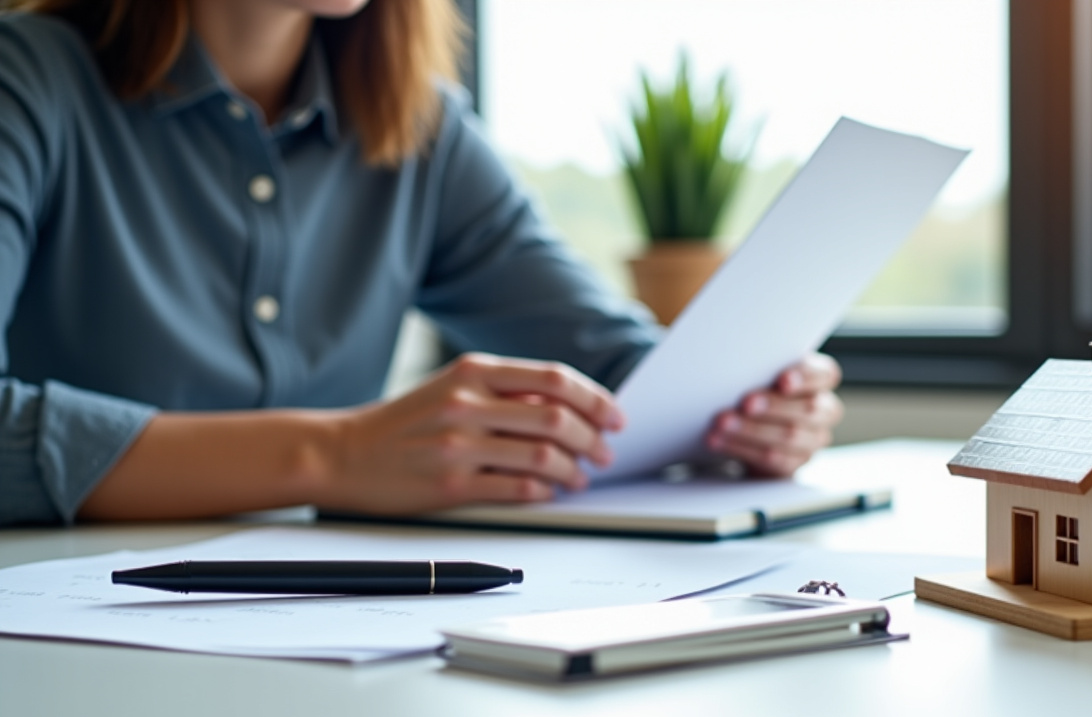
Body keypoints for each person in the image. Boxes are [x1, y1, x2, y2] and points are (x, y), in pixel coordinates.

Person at [0, 0, 844, 527]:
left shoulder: (420, 127)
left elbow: (615, 358)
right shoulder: (27, 81)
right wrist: (333, 455)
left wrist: (741, 406)